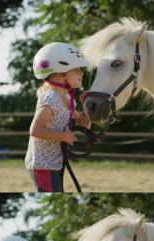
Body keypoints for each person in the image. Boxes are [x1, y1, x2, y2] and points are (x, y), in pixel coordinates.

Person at [26, 42, 91, 192]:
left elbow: (83, 125)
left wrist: (88, 108)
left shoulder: (69, 99)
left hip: (54, 162)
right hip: (42, 164)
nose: (82, 73)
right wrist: (63, 136)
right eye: (77, 69)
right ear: (61, 73)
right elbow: (35, 130)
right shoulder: (50, 98)